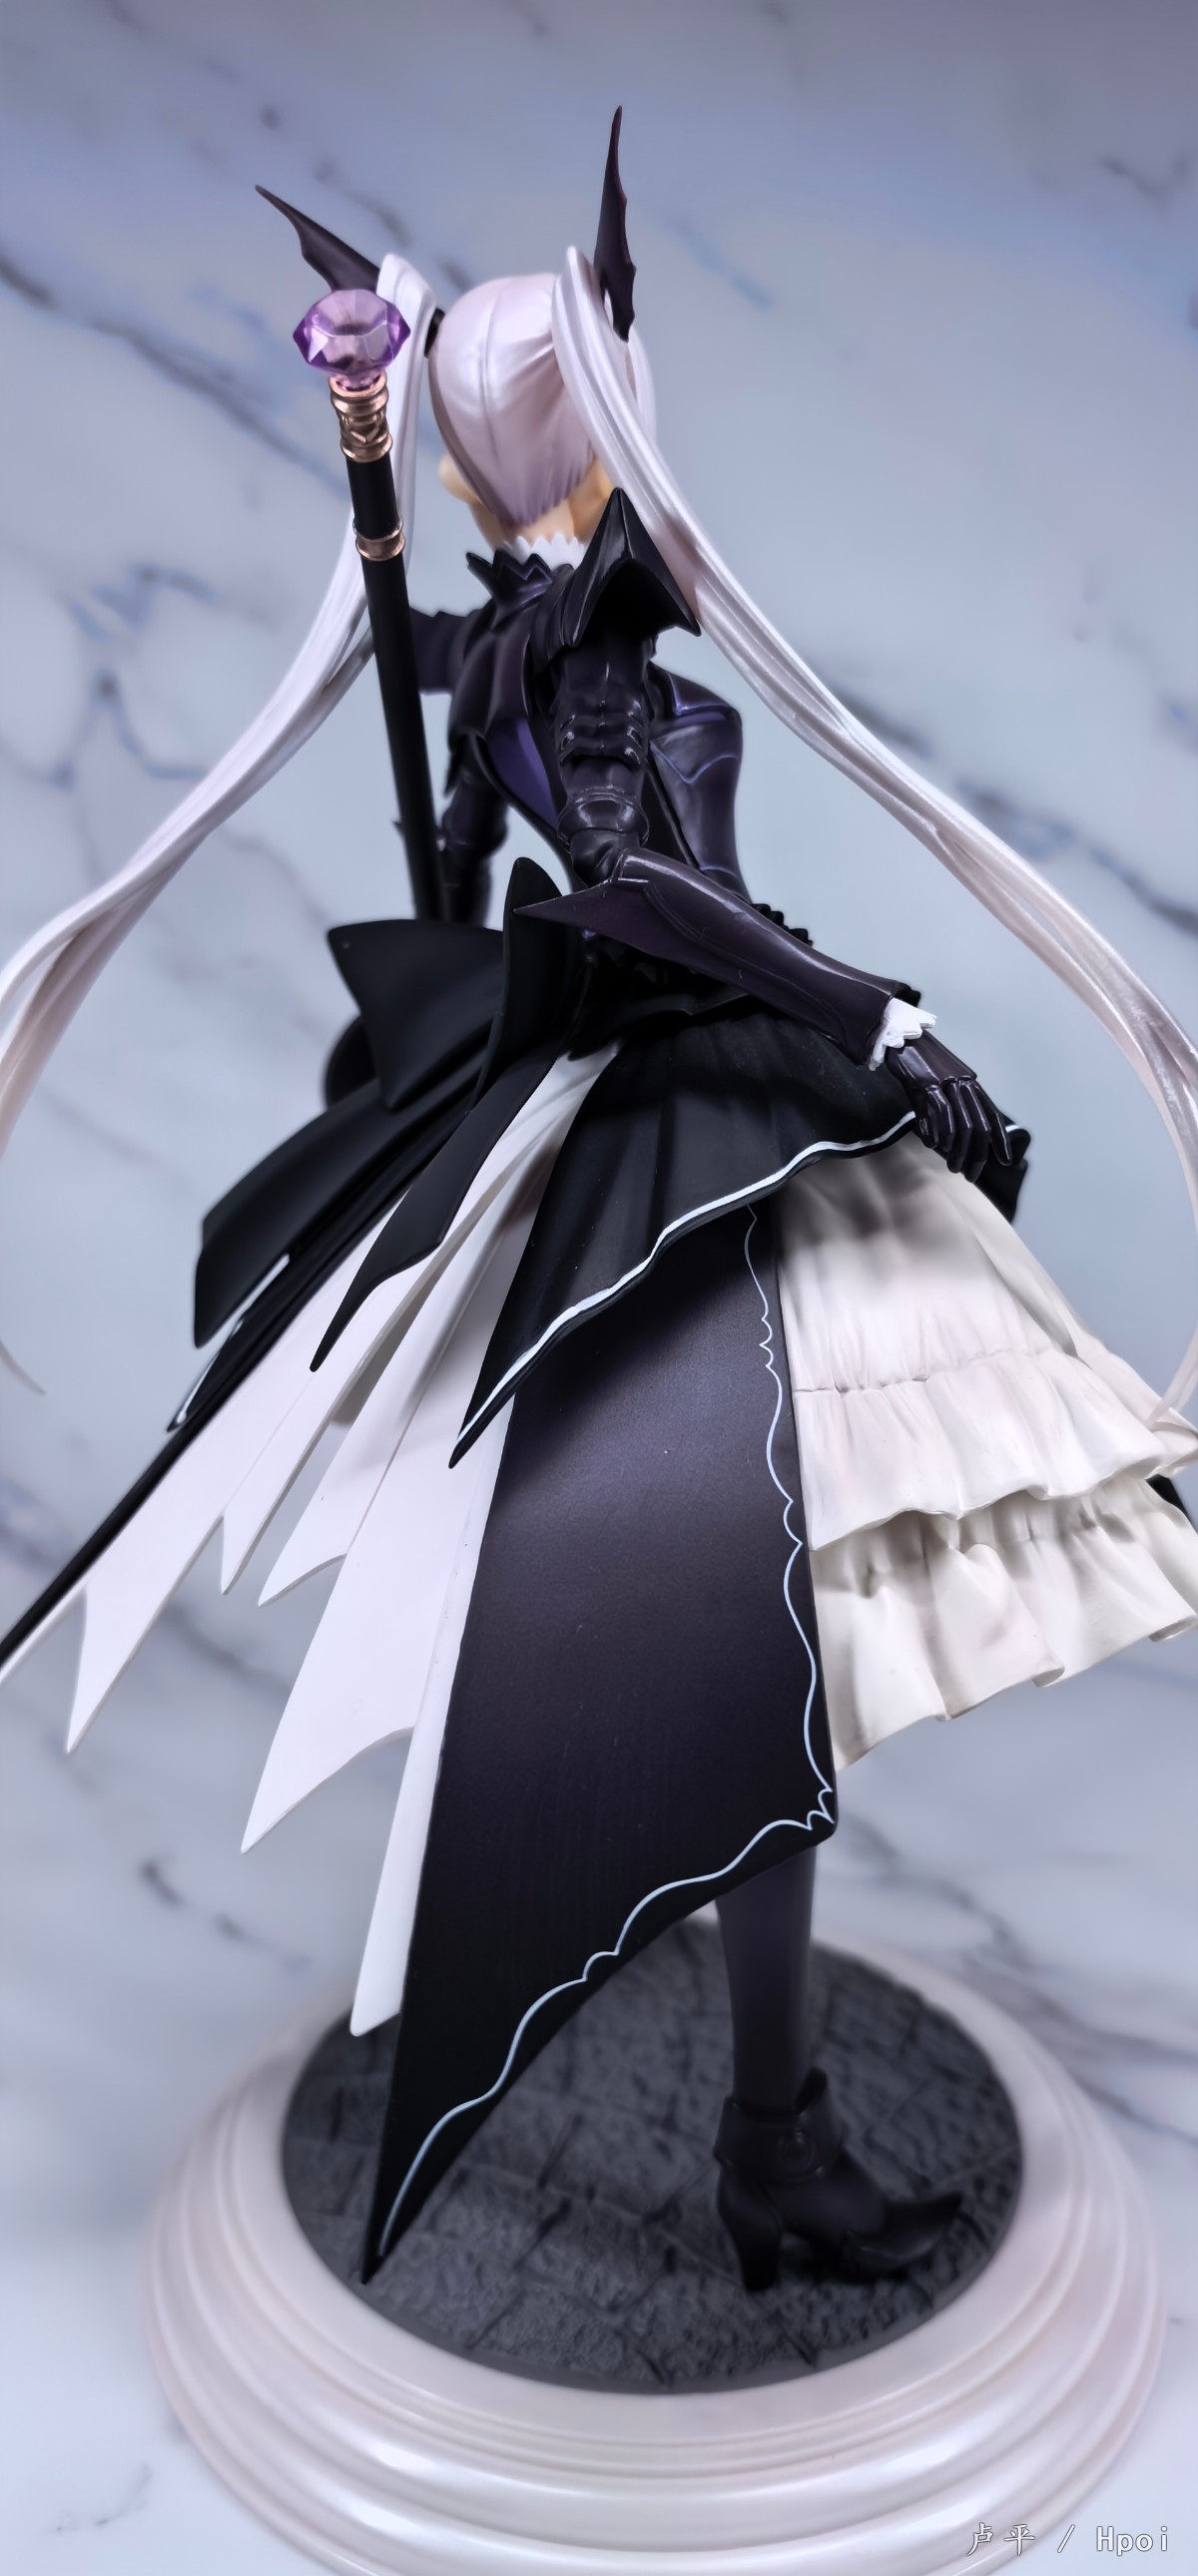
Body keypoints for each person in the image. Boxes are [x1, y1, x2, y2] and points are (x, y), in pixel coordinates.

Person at [2, 121, 1196, 2294]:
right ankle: (767, 2130)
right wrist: (873, 1013)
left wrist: (511, 853)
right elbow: (640, 885)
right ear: (590, 427)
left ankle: (763, 2107)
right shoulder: (578, 658)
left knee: (754, 1638)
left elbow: (494, 856)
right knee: (734, 1634)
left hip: (686, 1090)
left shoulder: (519, 646)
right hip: (685, 1130)